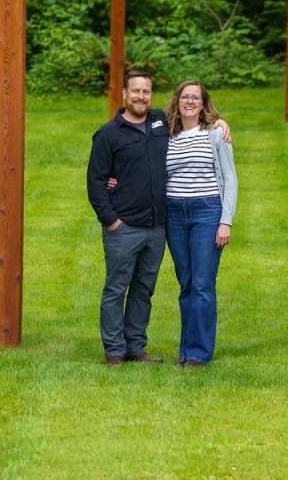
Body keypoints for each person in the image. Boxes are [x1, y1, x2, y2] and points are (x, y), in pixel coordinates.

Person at [86, 70, 230, 366]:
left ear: (152, 95)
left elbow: (195, 118)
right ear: (124, 94)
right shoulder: (108, 134)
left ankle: (136, 348)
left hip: (158, 226)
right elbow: (96, 182)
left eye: (146, 91)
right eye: (135, 91)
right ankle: (114, 351)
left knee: (144, 290)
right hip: (124, 225)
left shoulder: (161, 124)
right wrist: (111, 220)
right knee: (117, 288)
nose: (140, 96)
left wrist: (219, 121)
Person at [162, 80, 237, 367]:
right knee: (186, 283)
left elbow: (230, 178)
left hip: (207, 212)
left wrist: (225, 221)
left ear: (204, 104)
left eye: (196, 97)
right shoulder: (166, 134)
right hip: (173, 214)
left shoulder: (216, 133)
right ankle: (185, 350)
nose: (190, 101)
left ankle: (198, 353)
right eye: (185, 96)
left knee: (203, 283)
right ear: (177, 101)